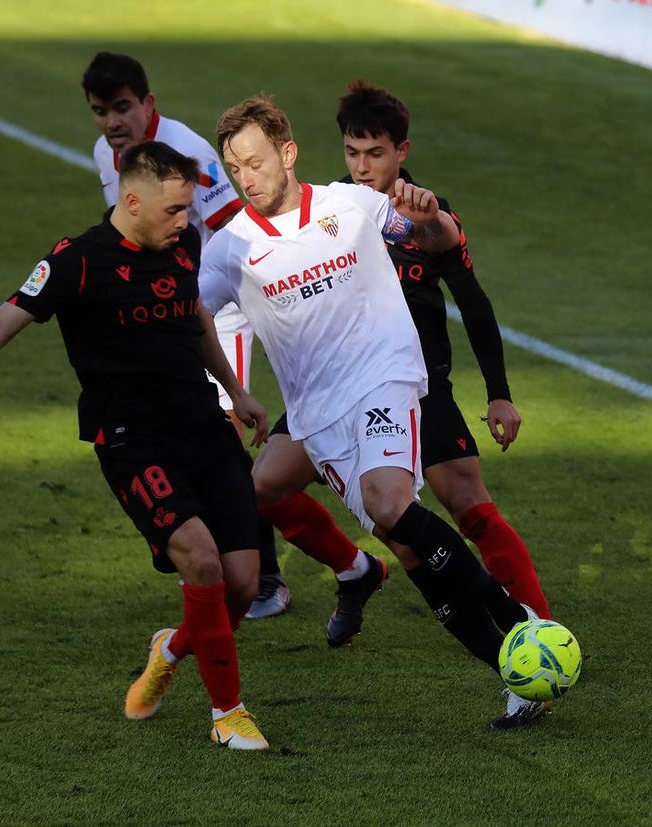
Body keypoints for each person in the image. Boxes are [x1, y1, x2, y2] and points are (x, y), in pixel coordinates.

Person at [0, 142, 270, 750]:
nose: (185, 223)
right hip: (133, 440)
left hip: (203, 426)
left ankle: (171, 648)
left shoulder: (181, 244)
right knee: (203, 559)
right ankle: (228, 716)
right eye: (172, 211)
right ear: (131, 201)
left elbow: (195, 319)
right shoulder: (75, 262)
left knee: (242, 584)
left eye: (188, 209)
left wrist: (236, 391)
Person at [199, 95, 542, 729]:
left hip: (385, 378)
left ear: (287, 151)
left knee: (390, 505)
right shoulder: (229, 249)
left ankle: (524, 623)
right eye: (233, 168)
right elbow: (195, 318)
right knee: (405, 546)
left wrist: (431, 215)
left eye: (254, 161)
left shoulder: (350, 206)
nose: (245, 178)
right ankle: (516, 668)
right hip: (318, 418)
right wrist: (230, 393)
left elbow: (435, 240)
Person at [83, 52, 359, 620]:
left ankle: (267, 578)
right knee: (207, 449)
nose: (113, 122)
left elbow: (237, 224)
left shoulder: (189, 151)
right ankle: (352, 567)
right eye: (100, 111)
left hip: (218, 312)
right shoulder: (106, 156)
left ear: (148, 104)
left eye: (122, 108)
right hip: (168, 318)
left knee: (228, 448)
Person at [336, 80, 552, 623]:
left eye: (376, 153)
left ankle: (541, 628)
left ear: (401, 152)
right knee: (264, 486)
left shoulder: (432, 218)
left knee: (470, 507)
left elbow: (474, 305)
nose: (363, 166)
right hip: (339, 392)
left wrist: (499, 395)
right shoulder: (328, 209)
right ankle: (356, 571)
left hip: (419, 387)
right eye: (352, 152)